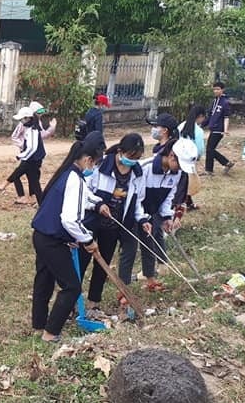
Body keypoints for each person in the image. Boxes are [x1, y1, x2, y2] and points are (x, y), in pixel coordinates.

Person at [29, 131, 110, 343]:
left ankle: (39, 326)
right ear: (88, 159)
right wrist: (88, 240)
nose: (94, 168)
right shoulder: (75, 179)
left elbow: (84, 199)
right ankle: (50, 333)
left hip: (41, 236)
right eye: (95, 163)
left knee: (44, 281)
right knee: (71, 287)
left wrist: (98, 204)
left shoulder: (67, 173)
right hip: (52, 241)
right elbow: (70, 220)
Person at [84, 133, 152, 316]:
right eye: (131, 156)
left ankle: (93, 303)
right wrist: (98, 205)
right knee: (82, 262)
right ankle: (74, 302)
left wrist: (142, 219)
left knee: (103, 265)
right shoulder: (101, 165)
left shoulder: (137, 173)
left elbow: (137, 201)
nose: (133, 161)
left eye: (137, 158)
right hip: (92, 221)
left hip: (114, 226)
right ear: (120, 151)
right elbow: (85, 192)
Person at [122, 137, 198, 293]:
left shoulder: (176, 173)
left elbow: (168, 196)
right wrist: (142, 218)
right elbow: (136, 197)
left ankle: (150, 279)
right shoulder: (145, 168)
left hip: (152, 211)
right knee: (130, 249)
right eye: (179, 164)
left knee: (150, 244)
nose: (180, 169)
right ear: (171, 156)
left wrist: (166, 216)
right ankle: (123, 287)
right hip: (133, 211)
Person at [0, 106, 45, 206]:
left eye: (21, 119)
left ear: (27, 118)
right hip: (32, 158)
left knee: (19, 173)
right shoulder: (31, 128)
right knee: (33, 181)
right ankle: (40, 202)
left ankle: (4, 186)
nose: (20, 121)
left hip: (32, 159)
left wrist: (19, 156)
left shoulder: (32, 130)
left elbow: (32, 148)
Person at [178, 105, 207, 211]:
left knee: (182, 181)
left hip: (178, 157)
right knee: (187, 182)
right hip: (189, 159)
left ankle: (188, 203)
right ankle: (183, 204)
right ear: (200, 116)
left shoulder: (181, 126)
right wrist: (198, 157)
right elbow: (200, 149)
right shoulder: (198, 131)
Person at [203, 81, 235, 175]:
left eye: (218, 89)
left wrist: (225, 130)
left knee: (209, 149)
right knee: (210, 149)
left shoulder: (225, 103)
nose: (216, 91)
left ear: (222, 90)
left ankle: (212, 169)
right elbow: (210, 116)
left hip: (219, 130)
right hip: (213, 128)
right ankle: (225, 164)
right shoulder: (214, 102)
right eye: (214, 89)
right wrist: (201, 125)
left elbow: (226, 117)